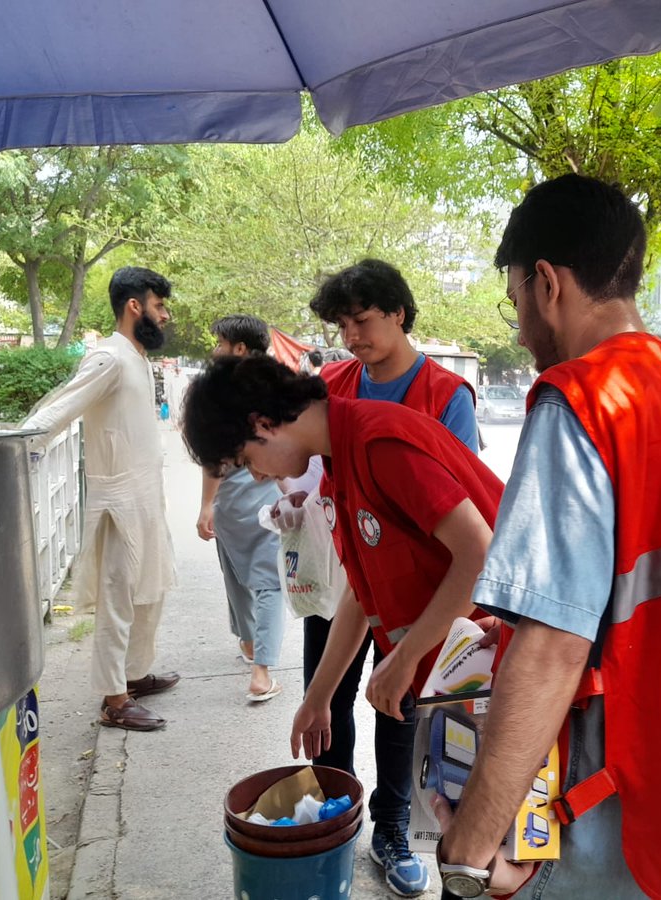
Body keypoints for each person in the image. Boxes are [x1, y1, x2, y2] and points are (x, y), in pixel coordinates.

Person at [434, 175, 661, 900]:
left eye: (514, 299)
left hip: (606, 810)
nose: (518, 327)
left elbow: (553, 647)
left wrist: (468, 850)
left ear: (547, 284)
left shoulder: (581, 401)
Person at [180, 356, 503, 884]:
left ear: (264, 424)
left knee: (490, 863)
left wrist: (404, 656)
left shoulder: (381, 443)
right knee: (464, 852)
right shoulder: (339, 466)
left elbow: (481, 556)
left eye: (246, 460)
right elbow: (359, 588)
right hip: (456, 685)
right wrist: (318, 699)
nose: (257, 475)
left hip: (495, 673)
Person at [301, 259, 479, 895]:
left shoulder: (446, 395)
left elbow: (461, 509)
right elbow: (312, 470)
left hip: (420, 588)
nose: (352, 336)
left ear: (399, 313)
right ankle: (332, 814)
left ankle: (392, 826)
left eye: (363, 321)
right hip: (345, 570)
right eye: (342, 325)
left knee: (398, 705)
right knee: (326, 695)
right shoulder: (333, 385)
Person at [24, 266, 179, 732]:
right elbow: (58, 409)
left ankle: (133, 674)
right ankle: (114, 700)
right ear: (134, 306)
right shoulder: (108, 358)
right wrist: (11, 450)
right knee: (118, 600)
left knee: (150, 592)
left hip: (146, 496)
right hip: (118, 502)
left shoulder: (136, 357)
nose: (165, 315)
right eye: (159, 305)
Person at [195, 314, 286, 702]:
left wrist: (206, 505)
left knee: (236, 573)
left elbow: (213, 456)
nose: (216, 351)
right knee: (269, 581)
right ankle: (260, 672)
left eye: (220, 344)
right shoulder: (278, 387)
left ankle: (250, 643)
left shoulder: (218, 393)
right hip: (269, 494)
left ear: (240, 348)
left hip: (230, 498)